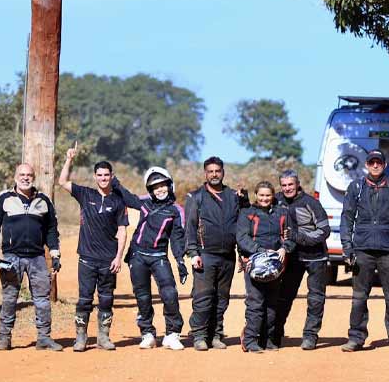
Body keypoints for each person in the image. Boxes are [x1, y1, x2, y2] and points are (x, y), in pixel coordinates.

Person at [340, 148, 389, 353]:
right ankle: (356, 338)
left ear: (384, 165)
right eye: (371, 162)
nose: (375, 165)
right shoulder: (355, 187)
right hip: (362, 249)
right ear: (366, 165)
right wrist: (347, 247)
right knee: (359, 296)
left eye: (378, 162)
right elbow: (346, 218)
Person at [57, 146, 129, 351]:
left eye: (107, 175)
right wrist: (69, 159)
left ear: (111, 176)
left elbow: (123, 230)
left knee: (106, 299)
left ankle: (103, 337)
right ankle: (80, 338)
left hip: (108, 260)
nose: (103, 178)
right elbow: (62, 182)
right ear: (95, 177)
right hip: (87, 258)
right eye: (100, 175)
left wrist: (118, 257)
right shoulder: (85, 194)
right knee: (85, 299)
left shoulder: (118, 201)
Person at [0, 163, 62, 351]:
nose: (25, 178)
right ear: (15, 176)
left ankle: (44, 338)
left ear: (33, 177)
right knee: (10, 298)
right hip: (11, 258)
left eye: (29, 175)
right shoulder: (4, 198)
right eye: (22, 174)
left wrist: (55, 254)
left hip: (37, 258)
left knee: (42, 299)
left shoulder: (43, 201)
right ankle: (4, 338)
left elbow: (52, 230)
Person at [115, 167, 188, 350]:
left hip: (159, 257)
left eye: (163, 185)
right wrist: (114, 183)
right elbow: (128, 197)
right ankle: (147, 333)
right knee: (143, 297)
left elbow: (177, 238)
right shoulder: (145, 203)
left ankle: (172, 334)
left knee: (170, 293)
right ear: (150, 190)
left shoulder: (176, 210)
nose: (160, 189)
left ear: (170, 185)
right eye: (155, 187)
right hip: (138, 256)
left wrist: (180, 261)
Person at [185, 156, 250, 350]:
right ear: (205, 173)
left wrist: (245, 199)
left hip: (227, 255)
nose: (214, 174)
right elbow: (190, 226)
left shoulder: (233, 196)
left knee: (222, 299)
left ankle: (216, 334)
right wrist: (193, 253)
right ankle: (199, 336)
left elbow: (245, 223)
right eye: (211, 171)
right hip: (205, 255)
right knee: (203, 297)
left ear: (223, 172)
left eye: (218, 171)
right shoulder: (196, 197)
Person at [270, 169, 331, 350]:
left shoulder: (311, 203)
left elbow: (324, 231)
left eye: (290, 184)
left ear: (297, 184)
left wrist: (299, 237)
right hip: (291, 258)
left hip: (316, 257)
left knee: (315, 298)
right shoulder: (277, 200)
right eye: (284, 185)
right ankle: (275, 334)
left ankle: (310, 336)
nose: (287, 188)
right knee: (284, 296)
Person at [236, 181, 294, 353]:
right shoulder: (247, 213)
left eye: (268, 195)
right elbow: (242, 237)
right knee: (255, 302)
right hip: (253, 264)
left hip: (275, 266)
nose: (264, 198)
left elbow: (290, 235)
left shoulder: (282, 213)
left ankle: (267, 339)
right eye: (261, 195)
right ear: (256, 195)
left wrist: (284, 248)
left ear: (273, 196)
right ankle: (250, 340)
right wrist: (260, 251)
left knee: (271, 303)